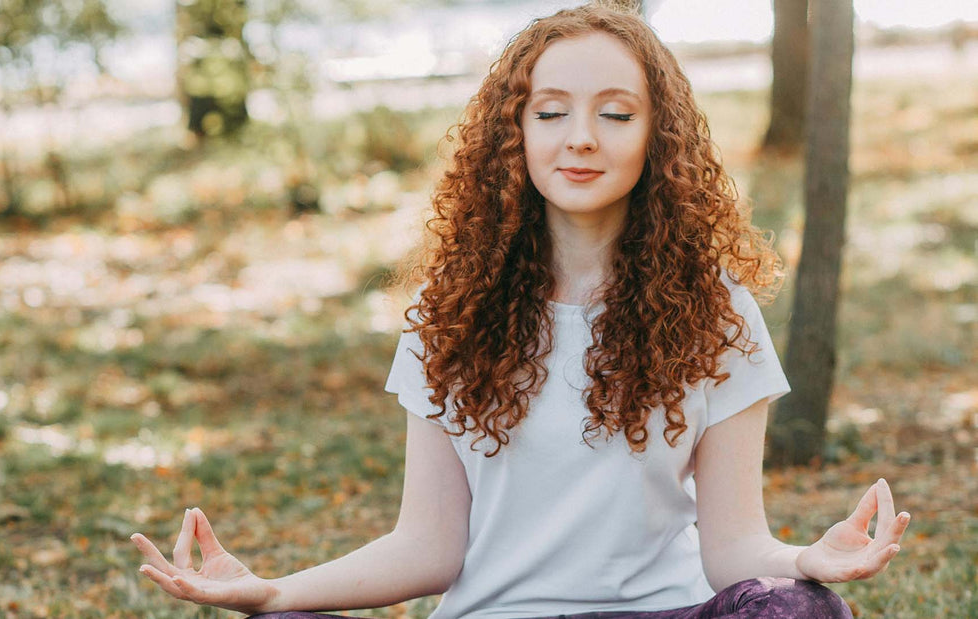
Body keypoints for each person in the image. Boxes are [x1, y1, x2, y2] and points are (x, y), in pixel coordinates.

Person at [130, 4, 911, 617]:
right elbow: (427, 546)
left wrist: (807, 560)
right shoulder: (448, 313)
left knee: (802, 611)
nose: (580, 139)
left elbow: (734, 546)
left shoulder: (717, 311)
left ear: (656, 137)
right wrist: (273, 591)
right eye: (550, 113)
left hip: (665, 614)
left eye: (615, 112)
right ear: (515, 133)